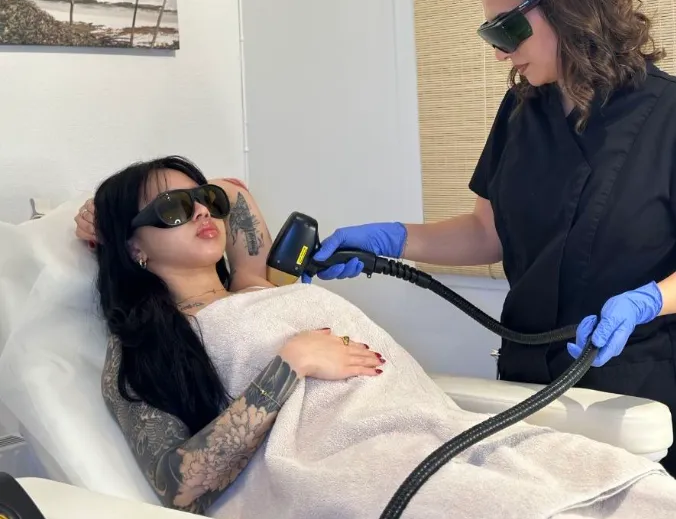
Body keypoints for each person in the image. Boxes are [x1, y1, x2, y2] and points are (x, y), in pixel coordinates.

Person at [73, 154, 676, 518]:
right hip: (347, 471)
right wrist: (288, 367)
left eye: (201, 200)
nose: (204, 212)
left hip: (435, 436)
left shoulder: (254, 283)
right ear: (133, 247)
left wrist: (172, 196)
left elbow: (233, 193)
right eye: (173, 210)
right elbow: (180, 488)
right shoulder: (147, 348)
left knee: (626, 489)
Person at [305, 0, 676, 476]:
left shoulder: (667, 114)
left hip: (636, 393)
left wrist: (648, 300)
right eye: (490, 34)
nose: (499, 52)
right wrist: (391, 239)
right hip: (525, 383)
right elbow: (487, 232)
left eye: (505, 29)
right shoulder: (522, 109)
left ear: (567, 3)